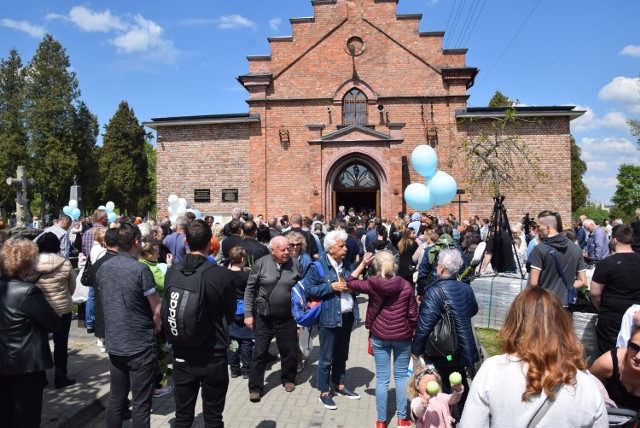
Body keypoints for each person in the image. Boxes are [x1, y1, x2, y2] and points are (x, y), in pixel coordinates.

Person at [460, 287, 607, 427]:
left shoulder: (493, 370)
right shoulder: (586, 382)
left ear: (514, 323)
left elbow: (471, 423)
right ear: (563, 325)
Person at [166, 219, 235, 427]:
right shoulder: (222, 275)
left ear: (186, 241)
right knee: (213, 417)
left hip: (182, 351)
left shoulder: (173, 271)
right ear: (210, 242)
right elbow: (229, 315)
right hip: (213, 353)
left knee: (183, 416)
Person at [97, 223, 161, 427]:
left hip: (115, 341)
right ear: (135, 242)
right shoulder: (141, 269)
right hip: (139, 344)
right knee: (141, 404)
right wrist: (157, 326)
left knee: (116, 398)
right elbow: (156, 308)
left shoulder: (104, 267)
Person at [347, 251, 418, 427]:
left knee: (382, 379)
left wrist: (362, 264)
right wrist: (415, 331)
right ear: (394, 265)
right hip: (403, 336)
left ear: (376, 266)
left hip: (380, 334)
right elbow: (412, 314)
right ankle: (402, 418)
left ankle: (380, 421)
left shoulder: (372, 283)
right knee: (401, 377)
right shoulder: (406, 285)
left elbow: (349, 282)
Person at [0, 238, 61, 428]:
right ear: (26, 266)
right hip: (25, 366)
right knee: (26, 418)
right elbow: (54, 323)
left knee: (5, 416)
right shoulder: (28, 292)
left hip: (4, 362)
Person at [411, 249, 478, 413]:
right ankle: (465, 416)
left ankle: (444, 418)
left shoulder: (434, 291)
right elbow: (473, 310)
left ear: (441, 268)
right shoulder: (466, 288)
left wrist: (416, 349)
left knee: (441, 384)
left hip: (441, 348)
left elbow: (425, 324)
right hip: (461, 346)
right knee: (459, 381)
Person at [304, 230, 360, 410]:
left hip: (347, 316)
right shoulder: (317, 266)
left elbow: (355, 286)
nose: (345, 248)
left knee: (342, 354)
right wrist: (331, 286)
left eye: (345, 245)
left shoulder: (347, 265)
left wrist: (353, 287)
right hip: (329, 316)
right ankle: (324, 391)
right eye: (341, 246)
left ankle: (340, 385)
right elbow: (309, 290)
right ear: (329, 248)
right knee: (326, 357)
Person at [244, 235, 302, 403]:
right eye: (282, 249)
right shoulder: (261, 263)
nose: (287, 252)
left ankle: (288, 379)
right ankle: (255, 388)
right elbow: (250, 289)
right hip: (264, 318)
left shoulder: (295, 264)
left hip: (287, 318)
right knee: (259, 353)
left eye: (288, 249)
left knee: (289, 351)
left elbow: (302, 286)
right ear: (272, 250)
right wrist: (248, 314)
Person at [28, 232, 76, 388]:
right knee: (61, 343)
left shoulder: (31, 264)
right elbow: (72, 287)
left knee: (39, 343)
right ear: (57, 246)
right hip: (62, 308)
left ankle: (40, 378)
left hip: (38, 309)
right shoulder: (65, 263)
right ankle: (61, 377)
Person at [590, 224, 640, 354]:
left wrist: (601, 308)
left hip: (611, 317)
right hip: (637, 316)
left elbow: (594, 293)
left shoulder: (607, 263)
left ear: (615, 240)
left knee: (610, 355)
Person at [528, 210, 587, 306]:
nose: (537, 230)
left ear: (548, 227)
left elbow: (533, 284)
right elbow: (583, 282)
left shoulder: (539, 249)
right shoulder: (576, 249)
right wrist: (565, 288)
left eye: (538, 227)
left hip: (545, 307)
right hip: (566, 307)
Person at [592, 327, 640, 411]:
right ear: (628, 344)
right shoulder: (607, 363)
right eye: (634, 347)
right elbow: (586, 395)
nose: (638, 357)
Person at [227, 246, 254, 379]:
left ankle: (234, 368)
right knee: (247, 341)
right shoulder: (247, 275)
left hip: (231, 309)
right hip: (245, 309)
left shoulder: (225, 274)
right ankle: (247, 370)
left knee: (233, 340)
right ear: (243, 259)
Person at [83, 209, 108, 334]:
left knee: (92, 296)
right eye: (107, 217)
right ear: (103, 219)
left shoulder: (86, 232)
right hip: (103, 267)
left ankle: (89, 323)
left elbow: (83, 251)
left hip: (91, 266)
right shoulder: (105, 232)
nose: (108, 219)